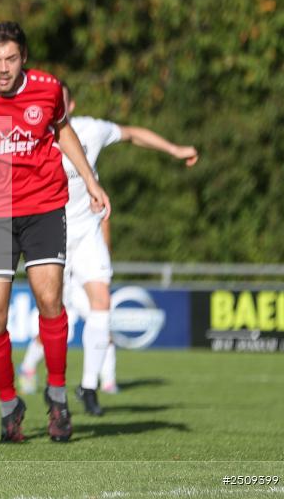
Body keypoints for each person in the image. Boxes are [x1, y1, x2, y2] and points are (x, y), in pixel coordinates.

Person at [0, 22, 110, 443]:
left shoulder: (47, 88)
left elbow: (64, 131)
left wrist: (91, 181)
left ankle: (58, 396)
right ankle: (9, 404)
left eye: (11, 59)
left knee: (50, 301)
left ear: (23, 57)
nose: (4, 68)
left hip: (44, 208)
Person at [16, 82, 198, 415]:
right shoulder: (27, 137)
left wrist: (174, 150)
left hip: (87, 231)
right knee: (54, 314)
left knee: (102, 303)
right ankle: (34, 371)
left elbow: (132, 134)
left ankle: (88, 387)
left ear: (70, 105)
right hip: (51, 236)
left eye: (61, 101)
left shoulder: (91, 129)